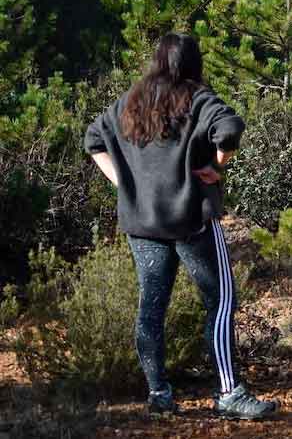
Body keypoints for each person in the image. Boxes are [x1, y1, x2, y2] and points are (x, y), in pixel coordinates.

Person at [84, 34, 277, 419]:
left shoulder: (132, 100)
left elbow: (93, 140)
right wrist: (217, 165)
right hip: (192, 222)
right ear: (193, 62)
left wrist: (126, 184)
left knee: (151, 309)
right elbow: (230, 128)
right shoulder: (198, 99)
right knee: (221, 301)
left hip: (143, 225)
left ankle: (159, 395)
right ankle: (228, 393)